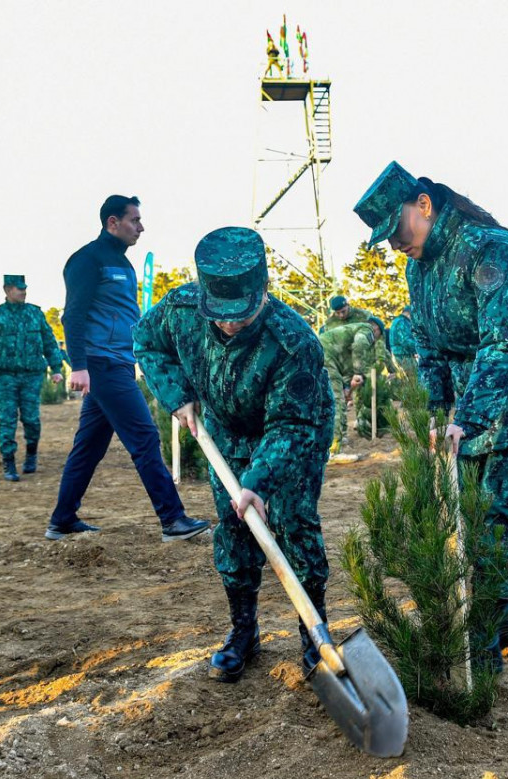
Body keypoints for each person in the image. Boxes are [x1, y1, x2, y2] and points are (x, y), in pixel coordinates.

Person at [354, 161, 508, 669]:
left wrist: (466, 416)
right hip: (471, 404)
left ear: (423, 205)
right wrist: (435, 408)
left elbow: (507, 342)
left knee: (499, 520)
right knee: (469, 516)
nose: (394, 245)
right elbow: (427, 344)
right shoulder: (419, 268)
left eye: (396, 229)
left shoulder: (495, 252)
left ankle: (485, 642)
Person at [134, 226, 334, 682]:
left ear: (262, 290)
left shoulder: (293, 343)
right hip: (223, 433)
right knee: (234, 527)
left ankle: (313, 634)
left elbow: (291, 424)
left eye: (238, 314)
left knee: (295, 525)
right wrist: (177, 394)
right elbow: (145, 341)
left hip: (291, 432)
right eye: (219, 313)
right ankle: (243, 630)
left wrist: (258, 482)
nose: (228, 324)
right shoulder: (180, 309)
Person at [48, 194, 208, 542]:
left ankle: (62, 519)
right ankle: (172, 519)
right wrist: (79, 365)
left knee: (88, 447)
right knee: (145, 438)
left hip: (118, 361)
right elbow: (72, 314)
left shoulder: (123, 263)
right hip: (101, 364)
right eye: (134, 220)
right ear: (112, 222)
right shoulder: (87, 260)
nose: (141, 226)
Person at [0, 274, 65, 481]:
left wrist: (56, 368)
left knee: (32, 419)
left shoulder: (35, 314)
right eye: (19, 288)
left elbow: (50, 342)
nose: (23, 291)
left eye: (24, 288)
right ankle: (8, 462)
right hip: (6, 376)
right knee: (7, 419)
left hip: (33, 376)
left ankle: (31, 455)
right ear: (7, 290)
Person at [317, 321, 375, 454]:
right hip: (325, 356)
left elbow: (345, 364)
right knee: (336, 401)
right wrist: (358, 372)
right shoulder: (366, 328)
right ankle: (334, 447)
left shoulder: (347, 335)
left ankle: (339, 439)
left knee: (329, 400)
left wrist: (348, 386)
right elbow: (359, 345)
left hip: (321, 354)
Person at [388, 305, 417, 378]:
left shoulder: (397, 321)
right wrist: (419, 348)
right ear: (409, 314)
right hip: (404, 357)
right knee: (413, 380)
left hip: (399, 356)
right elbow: (405, 341)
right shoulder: (402, 322)